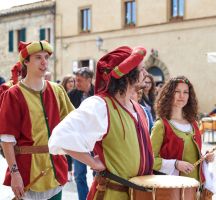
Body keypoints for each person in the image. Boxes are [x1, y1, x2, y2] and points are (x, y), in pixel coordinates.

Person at [48, 46, 153, 200]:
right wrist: (93, 162)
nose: (145, 73)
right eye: (141, 69)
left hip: (140, 194)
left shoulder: (140, 109)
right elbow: (60, 137)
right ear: (128, 74)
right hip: (113, 194)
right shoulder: (100, 105)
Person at [0, 40, 74, 200]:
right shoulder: (13, 95)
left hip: (55, 171)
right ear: (26, 62)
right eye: (38, 58)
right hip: (27, 173)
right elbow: (6, 139)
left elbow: (72, 124)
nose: (44, 62)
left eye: (46, 57)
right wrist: (14, 174)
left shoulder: (57, 90)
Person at [150, 76, 215, 196]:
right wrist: (175, 164)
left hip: (195, 189)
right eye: (177, 92)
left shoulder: (194, 124)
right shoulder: (161, 125)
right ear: (168, 95)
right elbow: (150, 160)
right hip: (172, 191)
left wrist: (205, 158)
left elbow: (193, 155)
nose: (182, 96)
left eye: (186, 92)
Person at [67, 67, 94, 200]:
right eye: (76, 80)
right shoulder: (72, 95)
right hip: (78, 140)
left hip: (96, 140)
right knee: (79, 174)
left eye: (79, 80)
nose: (76, 83)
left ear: (89, 80)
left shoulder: (99, 93)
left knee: (99, 174)